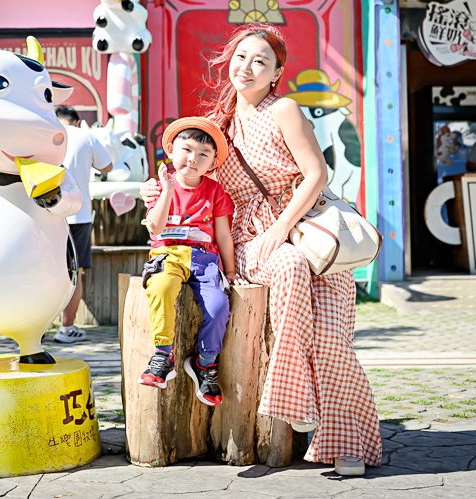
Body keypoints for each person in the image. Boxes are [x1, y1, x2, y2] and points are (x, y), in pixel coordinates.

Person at [141, 24, 382, 476]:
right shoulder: (221, 124)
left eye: (260, 61)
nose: (247, 67)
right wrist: (158, 190)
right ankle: (293, 396)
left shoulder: (285, 108)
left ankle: (345, 439)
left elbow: (316, 175)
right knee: (287, 265)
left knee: (332, 338)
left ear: (276, 74)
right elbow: (192, 175)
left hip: (307, 231)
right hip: (249, 238)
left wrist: (283, 227)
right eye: (240, 57)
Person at [140, 117, 235, 407]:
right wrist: (167, 190)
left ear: (213, 162)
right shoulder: (157, 187)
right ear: (170, 149)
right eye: (186, 149)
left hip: (205, 259)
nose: (193, 159)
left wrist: (229, 272)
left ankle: (205, 362)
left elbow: (223, 235)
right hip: (167, 254)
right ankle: (162, 354)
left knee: (219, 306)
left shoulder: (215, 192)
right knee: (161, 287)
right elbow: (154, 228)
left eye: (203, 154)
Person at [54, 105, 112, 343]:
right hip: (78, 215)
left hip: (46, 214)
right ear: (77, 122)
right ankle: (66, 329)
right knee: (74, 273)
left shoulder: (45, 132)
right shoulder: (86, 136)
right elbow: (107, 166)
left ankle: (35, 328)